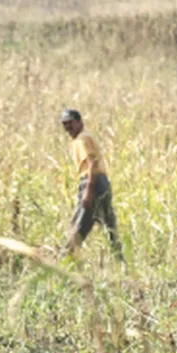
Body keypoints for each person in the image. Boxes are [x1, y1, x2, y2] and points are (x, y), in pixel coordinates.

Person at [61, 108, 123, 260]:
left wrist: (88, 191)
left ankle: (64, 259)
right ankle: (120, 261)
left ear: (79, 122)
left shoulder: (83, 139)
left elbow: (92, 163)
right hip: (100, 182)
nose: (68, 127)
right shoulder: (80, 139)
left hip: (92, 182)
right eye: (65, 124)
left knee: (79, 223)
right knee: (109, 226)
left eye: (70, 123)